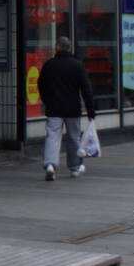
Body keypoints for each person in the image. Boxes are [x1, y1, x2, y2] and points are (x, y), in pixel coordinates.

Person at [37, 35, 96, 181]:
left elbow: (41, 85)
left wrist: (46, 101)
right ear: (68, 47)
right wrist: (90, 110)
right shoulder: (77, 65)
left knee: (52, 135)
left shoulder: (49, 65)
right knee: (73, 137)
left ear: (57, 47)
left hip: (54, 108)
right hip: (72, 108)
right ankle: (75, 167)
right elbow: (86, 89)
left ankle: (50, 165)